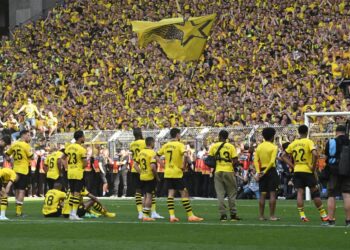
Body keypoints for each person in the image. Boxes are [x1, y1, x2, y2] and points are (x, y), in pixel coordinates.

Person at [283, 125, 329, 222]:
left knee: (300, 192)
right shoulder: (308, 142)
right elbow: (315, 154)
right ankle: (323, 215)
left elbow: (283, 155)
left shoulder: (293, 143)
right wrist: (313, 165)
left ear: (298, 132)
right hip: (307, 170)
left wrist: (292, 165)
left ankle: (302, 216)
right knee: (315, 192)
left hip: (297, 170)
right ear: (307, 132)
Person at [157, 128, 203, 222]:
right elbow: (186, 155)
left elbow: (156, 155)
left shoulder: (166, 145)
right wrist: (185, 165)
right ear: (177, 135)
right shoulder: (179, 145)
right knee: (184, 193)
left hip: (168, 172)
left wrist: (163, 165)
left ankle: (172, 216)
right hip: (177, 173)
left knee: (170, 194)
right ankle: (190, 215)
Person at [130, 128, 162, 219]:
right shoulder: (144, 143)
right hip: (145, 169)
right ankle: (152, 212)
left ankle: (140, 212)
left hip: (134, 169)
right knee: (149, 192)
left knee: (138, 192)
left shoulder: (132, 144)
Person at [209, 129, 240, 221]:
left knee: (220, 194)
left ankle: (223, 215)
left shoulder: (214, 146)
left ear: (219, 136)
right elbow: (235, 160)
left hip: (218, 170)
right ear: (227, 137)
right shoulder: (230, 146)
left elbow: (210, 159)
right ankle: (233, 215)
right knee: (231, 193)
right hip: (228, 170)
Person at [325, 125, 350, 226]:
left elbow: (327, 155)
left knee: (331, 195)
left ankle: (331, 220)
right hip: (348, 170)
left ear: (336, 132)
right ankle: (348, 221)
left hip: (333, 170)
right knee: (347, 195)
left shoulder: (331, 142)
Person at [5, 130, 33, 217]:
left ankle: (17, 211)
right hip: (24, 170)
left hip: (15, 169)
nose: (29, 137)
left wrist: (11, 161)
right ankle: (19, 212)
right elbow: (31, 157)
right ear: (23, 135)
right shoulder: (26, 145)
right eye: (28, 135)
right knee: (22, 190)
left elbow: (6, 155)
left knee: (17, 190)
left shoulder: (14, 144)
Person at [253, 127, 279, 221]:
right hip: (271, 171)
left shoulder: (259, 147)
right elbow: (272, 162)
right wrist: (265, 172)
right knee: (272, 193)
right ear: (272, 137)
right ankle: (272, 216)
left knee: (263, 194)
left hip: (262, 170)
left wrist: (259, 172)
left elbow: (255, 160)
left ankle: (261, 216)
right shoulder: (274, 147)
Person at [62, 130, 87, 220]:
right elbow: (85, 163)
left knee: (72, 193)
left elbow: (62, 158)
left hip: (70, 172)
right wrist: (83, 166)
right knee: (77, 193)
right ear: (80, 138)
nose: (84, 138)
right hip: (78, 173)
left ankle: (72, 213)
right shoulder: (82, 149)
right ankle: (74, 214)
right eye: (83, 136)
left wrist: (66, 167)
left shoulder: (69, 147)